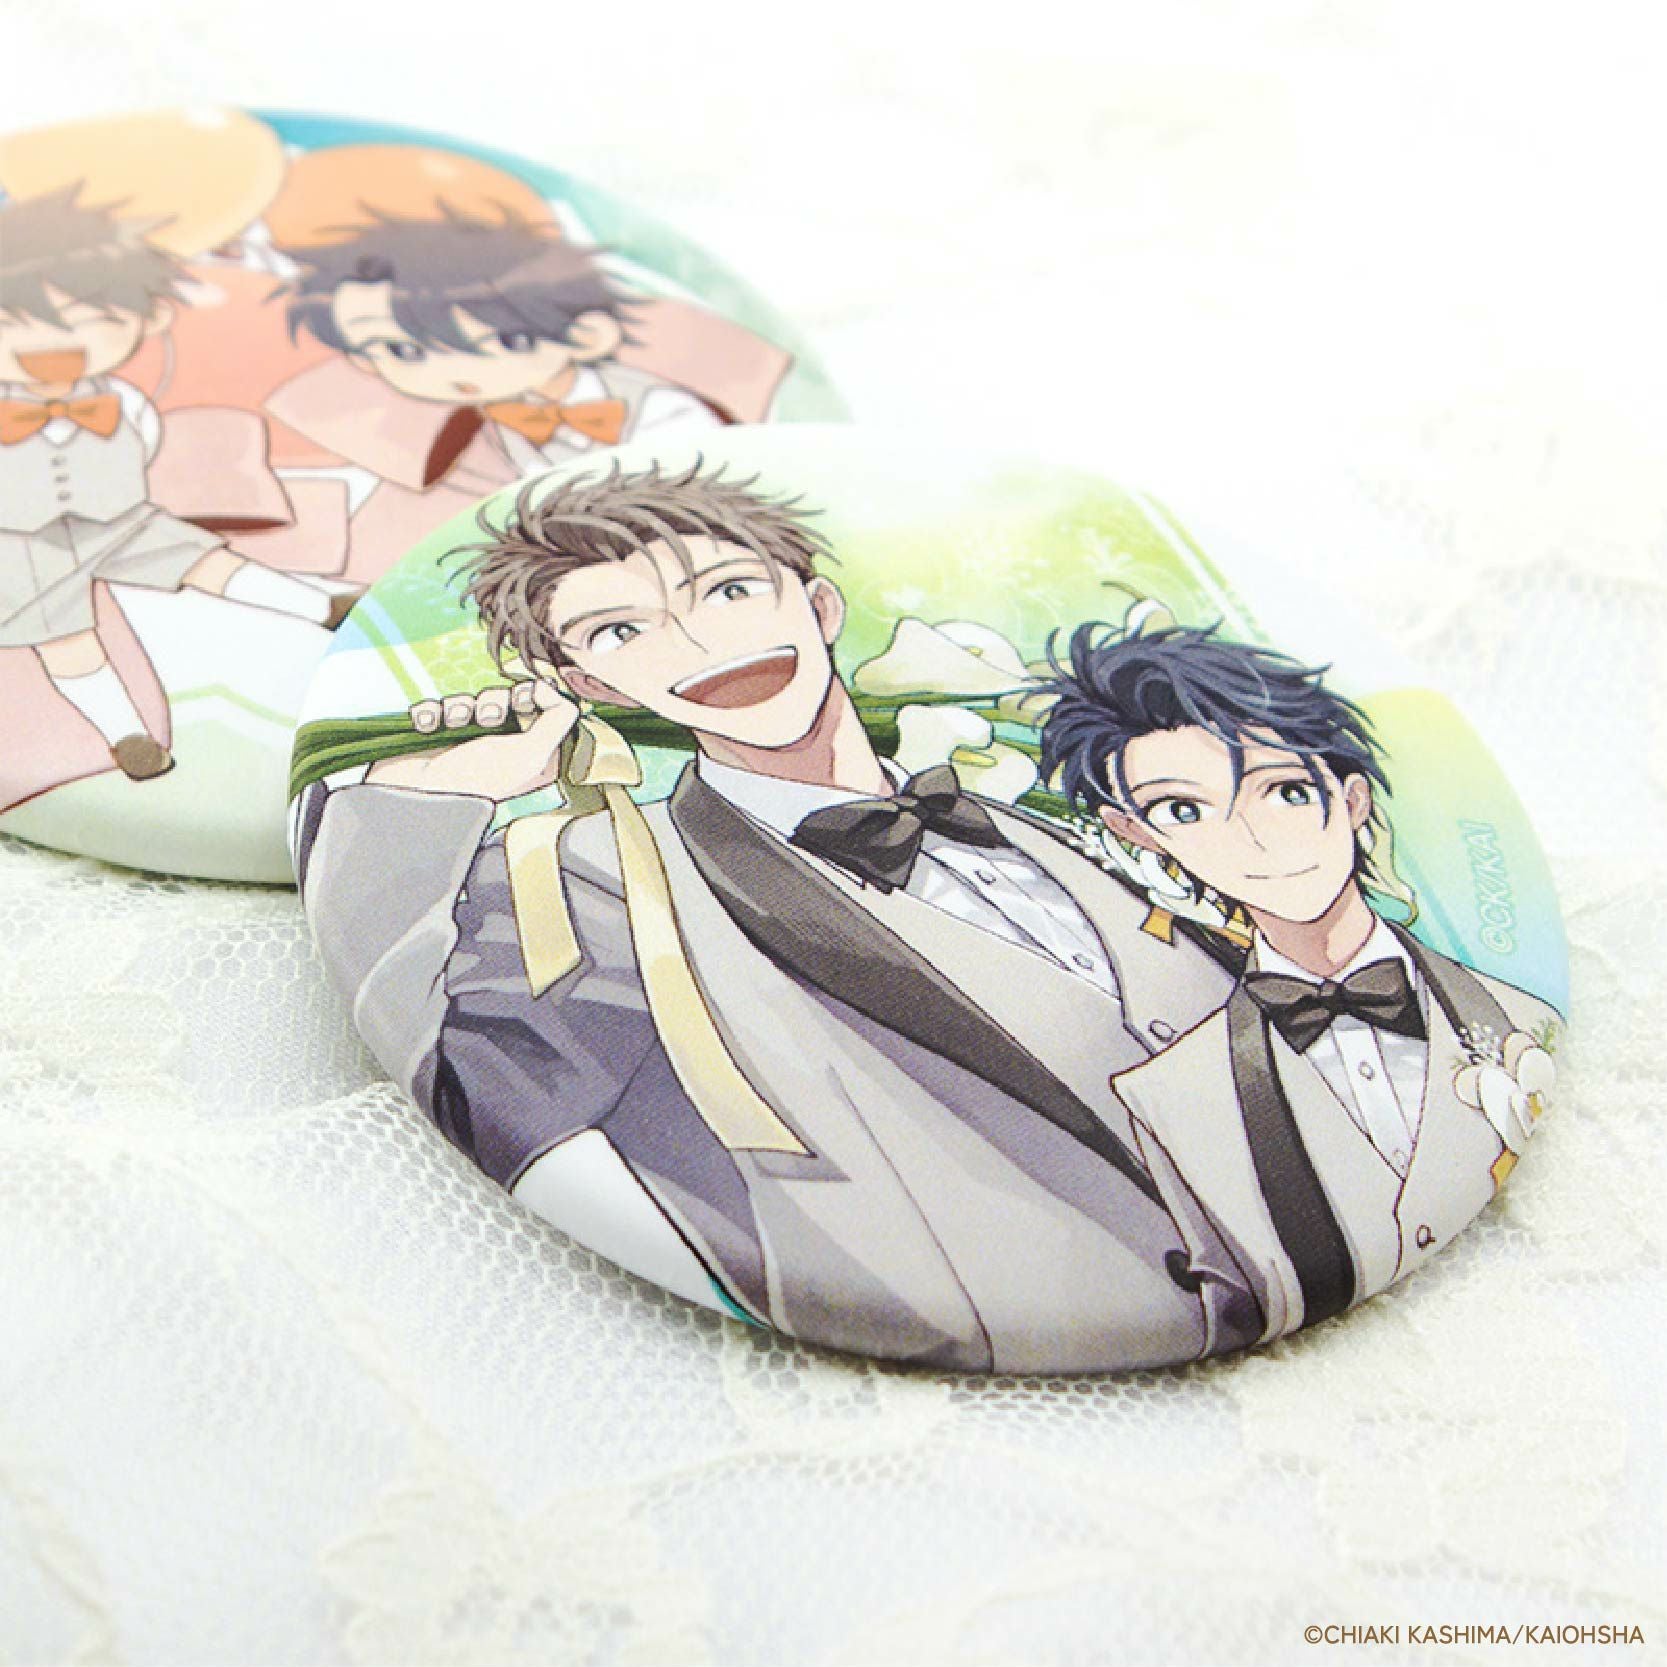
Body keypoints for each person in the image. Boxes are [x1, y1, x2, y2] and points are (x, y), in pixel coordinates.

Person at [295, 462, 1260, 1372]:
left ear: (819, 605)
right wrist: (430, 796)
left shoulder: (1053, 835)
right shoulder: (602, 881)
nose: (700, 644)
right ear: (587, 685)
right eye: (620, 633)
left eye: (728, 591)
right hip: (972, 1312)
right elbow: (469, 1078)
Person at [1040, 621, 1563, 1352]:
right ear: (1141, 837)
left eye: (1283, 791)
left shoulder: (1521, 1016)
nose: (1253, 838)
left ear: (1350, 799)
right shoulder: (1167, 1099)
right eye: (1184, 810)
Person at [0, 187, 355, 782]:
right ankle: (126, 738)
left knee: (207, 562)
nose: (52, 344)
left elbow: (142, 441)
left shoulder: (122, 399)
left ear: (151, 318)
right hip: (24, 546)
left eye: (93, 321)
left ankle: (320, 606)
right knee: (67, 642)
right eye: (14, 322)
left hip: (121, 519)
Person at [267, 206, 730, 578]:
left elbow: (705, 491)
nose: (452, 371)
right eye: (402, 351)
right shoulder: (474, 437)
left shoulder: (660, 409)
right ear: (364, 360)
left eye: (508, 341)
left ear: (588, 336)